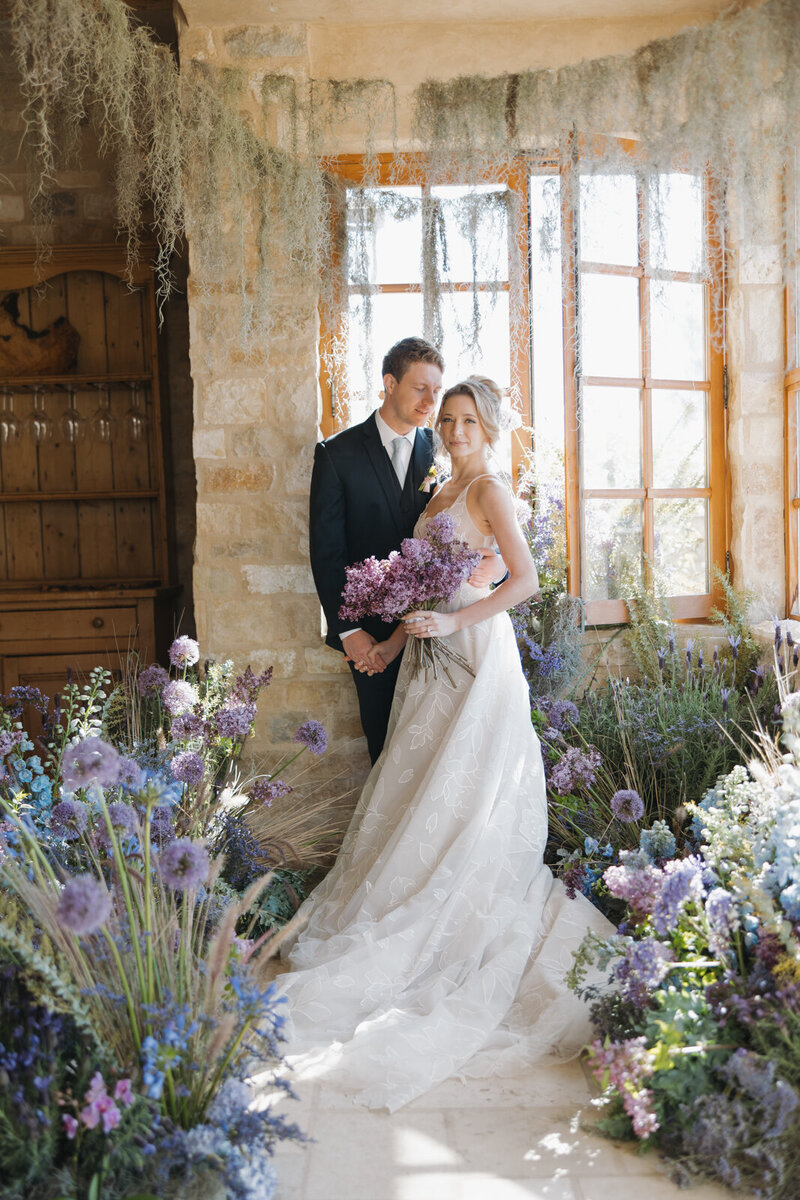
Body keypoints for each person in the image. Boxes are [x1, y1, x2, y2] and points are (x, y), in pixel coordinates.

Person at [278, 376, 613, 1112]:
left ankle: (455, 919)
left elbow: (524, 581)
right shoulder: (435, 491)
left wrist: (454, 625)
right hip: (428, 663)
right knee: (419, 790)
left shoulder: (487, 490)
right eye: (450, 419)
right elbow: (426, 588)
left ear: (488, 428)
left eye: (468, 420)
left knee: (466, 796)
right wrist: (395, 639)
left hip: (474, 663)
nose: (456, 429)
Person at [308, 336, 503, 764]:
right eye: (421, 388)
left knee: (444, 756)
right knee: (388, 757)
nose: (432, 401)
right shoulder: (337, 455)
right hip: (373, 638)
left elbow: (480, 526)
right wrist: (349, 632)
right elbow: (326, 553)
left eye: (437, 390)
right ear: (390, 383)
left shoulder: (443, 452)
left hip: (447, 632)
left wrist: (499, 565)